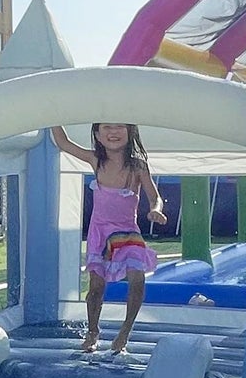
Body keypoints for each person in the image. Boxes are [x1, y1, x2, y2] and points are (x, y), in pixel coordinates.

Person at [51, 123, 167, 355]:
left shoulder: (137, 166)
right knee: (96, 287)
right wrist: (54, 115)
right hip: (101, 233)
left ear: (130, 132)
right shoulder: (96, 160)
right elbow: (64, 143)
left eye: (119, 128)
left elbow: (155, 196)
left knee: (137, 279)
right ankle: (93, 331)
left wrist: (156, 209)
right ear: (97, 135)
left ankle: (125, 330)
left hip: (127, 232)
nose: (113, 133)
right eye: (106, 128)